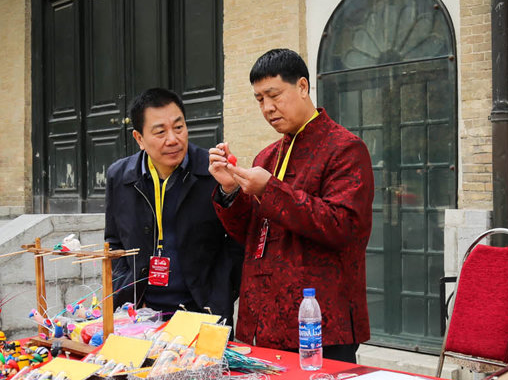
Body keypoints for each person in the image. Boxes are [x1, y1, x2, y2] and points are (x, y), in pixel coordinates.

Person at [208, 49, 373, 362]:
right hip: (263, 318)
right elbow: (250, 236)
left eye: (274, 95)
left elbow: (343, 227)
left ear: (302, 87)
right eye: (260, 99)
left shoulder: (345, 149)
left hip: (320, 321)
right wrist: (230, 189)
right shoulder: (267, 156)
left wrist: (269, 189)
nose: (267, 108)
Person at [104, 88, 243, 321]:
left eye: (178, 127)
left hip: (203, 313)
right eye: (160, 132)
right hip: (138, 314)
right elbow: (114, 243)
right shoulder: (120, 176)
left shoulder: (213, 172)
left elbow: (238, 239)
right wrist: (126, 290)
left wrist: (221, 293)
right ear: (139, 139)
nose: (173, 139)